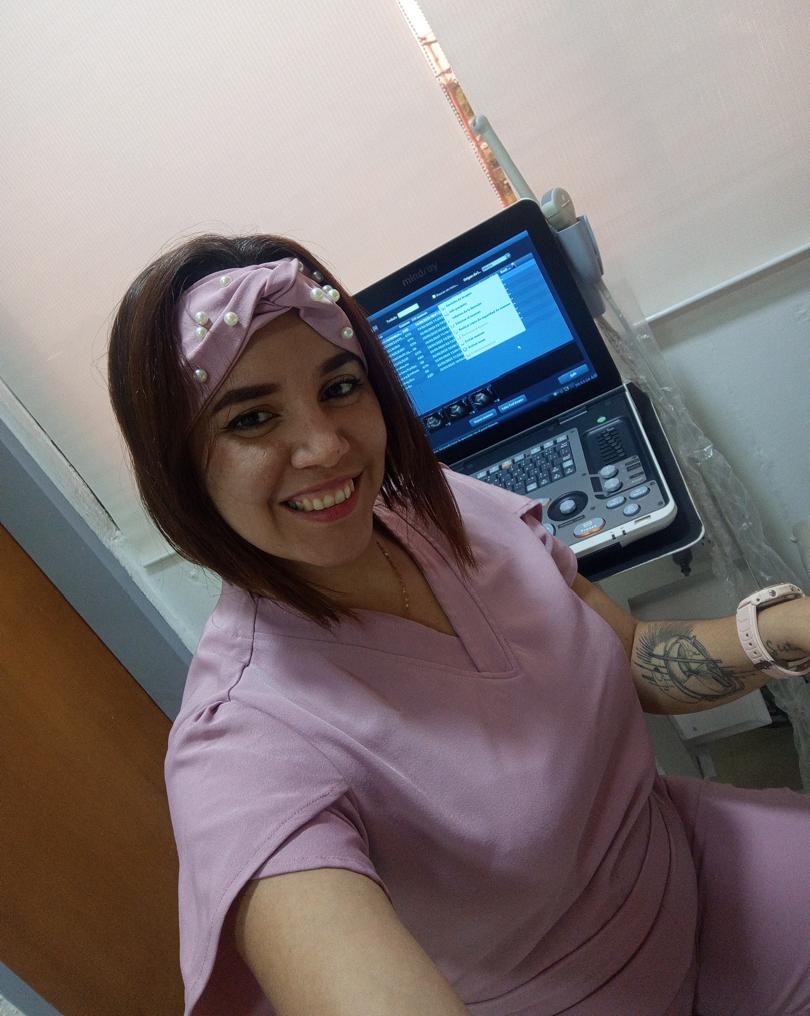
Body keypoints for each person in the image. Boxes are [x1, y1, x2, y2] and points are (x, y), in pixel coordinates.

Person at [107, 234, 810, 1016]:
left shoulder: (444, 507)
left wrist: (789, 628)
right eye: (252, 418)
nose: (327, 447)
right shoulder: (241, 744)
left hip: (690, 865)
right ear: (178, 465)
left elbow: (636, 657)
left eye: (340, 387)